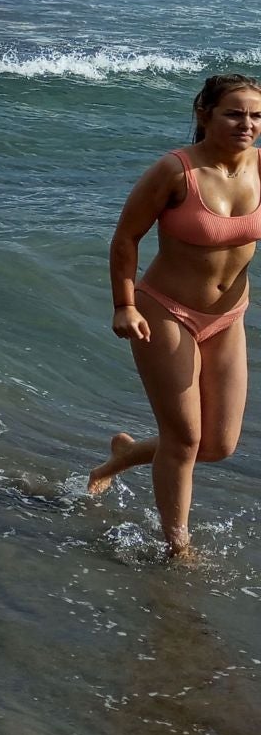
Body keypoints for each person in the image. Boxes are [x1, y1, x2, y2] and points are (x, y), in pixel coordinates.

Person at [88, 75, 261, 558]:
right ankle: (177, 548)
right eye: (234, 113)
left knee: (219, 445)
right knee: (184, 438)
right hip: (164, 311)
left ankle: (123, 457)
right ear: (204, 113)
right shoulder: (175, 171)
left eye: (256, 115)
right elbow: (126, 237)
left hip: (229, 316)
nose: (247, 124)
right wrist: (123, 303)